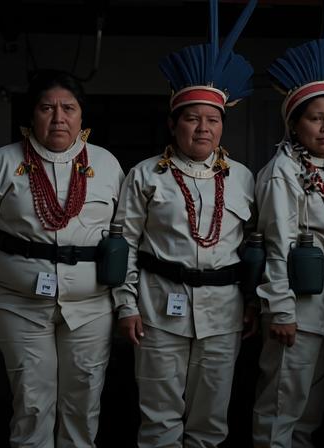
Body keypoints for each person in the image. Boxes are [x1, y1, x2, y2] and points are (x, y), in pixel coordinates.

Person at [112, 1, 258, 446]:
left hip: (224, 312)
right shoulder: (144, 174)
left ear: (222, 127)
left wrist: (253, 301)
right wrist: (127, 305)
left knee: (211, 420)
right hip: (159, 310)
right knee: (159, 418)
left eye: (212, 120)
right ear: (174, 124)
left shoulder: (243, 177)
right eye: (192, 118)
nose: (202, 128)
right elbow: (123, 244)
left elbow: (254, 243)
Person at [0, 69, 123, 448]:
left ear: (82, 115)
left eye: (68, 108)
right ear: (31, 114)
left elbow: (124, 232)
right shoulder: (1, 163)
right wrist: (16, 266)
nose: (58, 118)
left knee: (83, 403)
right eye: (47, 108)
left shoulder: (107, 165)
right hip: (20, 304)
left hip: (90, 306)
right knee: (32, 403)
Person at [251, 1, 324, 446]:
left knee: (310, 412)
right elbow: (276, 242)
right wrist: (280, 308)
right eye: (316, 118)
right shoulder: (283, 170)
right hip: (295, 302)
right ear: (295, 123)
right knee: (281, 406)